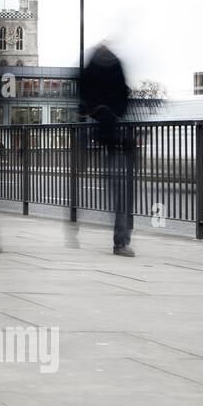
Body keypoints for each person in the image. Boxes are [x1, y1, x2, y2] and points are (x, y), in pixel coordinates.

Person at [79, 42, 137, 257]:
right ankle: (121, 241)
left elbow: (84, 96)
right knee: (123, 194)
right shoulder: (115, 66)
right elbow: (124, 94)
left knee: (119, 193)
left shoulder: (91, 71)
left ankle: (121, 240)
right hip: (119, 137)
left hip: (108, 137)